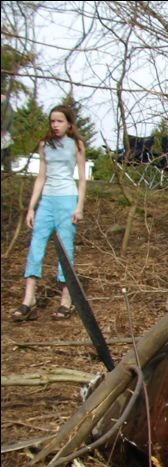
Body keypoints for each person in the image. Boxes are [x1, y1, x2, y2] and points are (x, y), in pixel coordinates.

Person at [12, 105, 86, 322]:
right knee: (36, 247)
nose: (55, 125)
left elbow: (82, 179)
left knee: (65, 249)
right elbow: (41, 177)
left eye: (60, 121)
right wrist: (31, 207)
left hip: (67, 200)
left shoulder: (76, 144)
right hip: (47, 201)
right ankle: (29, 300)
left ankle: (66, 300)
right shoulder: (45, 144)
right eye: (52, 121)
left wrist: (79, 207)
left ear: (69, 124)